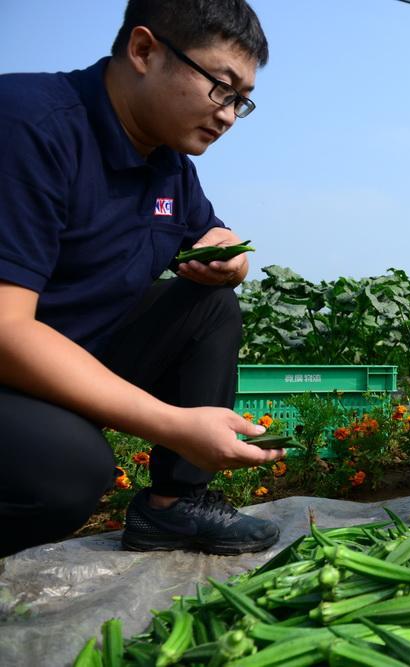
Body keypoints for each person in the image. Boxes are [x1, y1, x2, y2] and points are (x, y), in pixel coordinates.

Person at [0, 0, 286, 558]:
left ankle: (173, 507)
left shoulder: (169, 166)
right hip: (12, 370)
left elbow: (220, 239)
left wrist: (230, 257)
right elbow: (7, 331)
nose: (228, 114)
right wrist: (177, 424)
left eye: (241, 101)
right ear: (144, 50)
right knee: (67, 472)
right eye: (221, 87)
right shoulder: (27, 126)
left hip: (69, 362)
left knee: (211, 303)